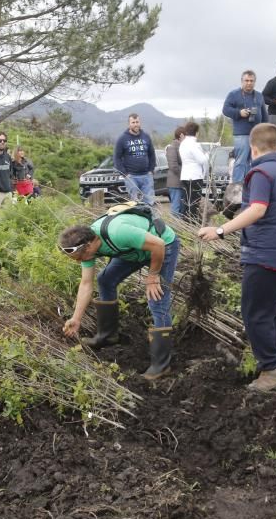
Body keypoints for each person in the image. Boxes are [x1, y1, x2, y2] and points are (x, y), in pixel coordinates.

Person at [198, 123, 276, 392]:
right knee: (266, 311)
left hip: (266, 254)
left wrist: (220, 230)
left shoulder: (261, 173)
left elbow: (257, 210)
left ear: (253, 148)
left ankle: (273, 371)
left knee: (254, 313)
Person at [59, 207, 180, 380]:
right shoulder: (87, 249)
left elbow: (158, 245)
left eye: (80, 258)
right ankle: (108, 335)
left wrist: (153, 276)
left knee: (157, 298)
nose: (80, 262)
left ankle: (162, 365)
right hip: (134, 251)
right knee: (105, 280)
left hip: (162, 245)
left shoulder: (118, 233)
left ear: (88, 246)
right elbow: (86, 284)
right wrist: (76, 318)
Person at [222, 70, 268, 185]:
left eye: (251, 81)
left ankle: (251, 185)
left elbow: (264, 115)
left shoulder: (259, 95)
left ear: (255, 82)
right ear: (242, 81)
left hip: (257, 134)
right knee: (241, 161)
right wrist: (239, 113)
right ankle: (237, 187)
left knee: (255, 161)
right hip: (241, 134)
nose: (249, 83)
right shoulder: (233, 94)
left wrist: (265, 131)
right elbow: (225, 110)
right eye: (246, 80)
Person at [113, 113, 156, 204]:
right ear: (129, 124)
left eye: (137, 122)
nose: (136, 124)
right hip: (131, 177)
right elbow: (117, 158)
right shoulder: (122, 139)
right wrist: (125, 174)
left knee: (149, 202)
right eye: (133, 122)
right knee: (136, 203)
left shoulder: (146, 136)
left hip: (146, 176)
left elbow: (152, 154)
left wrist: (151, 170)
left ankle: (149, 218)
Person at [178, 122, 209, 222]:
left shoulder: (183, 144)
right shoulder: (193, 144)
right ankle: (192, 223)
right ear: (196, 133)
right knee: (194, 203)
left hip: (185, 176)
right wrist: (207, 155)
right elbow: (202, 160)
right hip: (195, 176)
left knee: (186, 202)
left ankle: (185, 222)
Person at [164, 126, 186, 217]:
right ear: (181, 135)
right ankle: (174, 227)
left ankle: (180, 228)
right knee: (175, 208)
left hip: (181, 183)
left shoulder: (182, 147)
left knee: (181, 207)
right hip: (175, 183)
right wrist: (185, 175)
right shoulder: (172, 147)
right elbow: (173, 166)